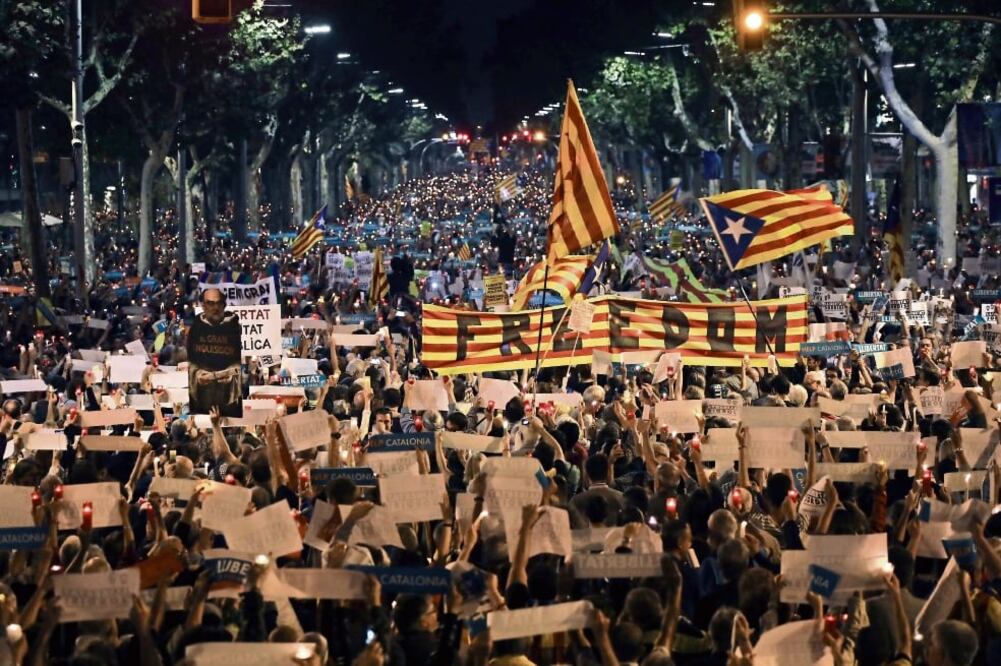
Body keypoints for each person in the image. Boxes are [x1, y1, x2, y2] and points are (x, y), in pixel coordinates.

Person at [186, 288, 243, 417]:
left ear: (224, 305)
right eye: (210, 303)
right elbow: (191, 362)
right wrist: (197, 374)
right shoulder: (195, 330)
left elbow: (241, 362)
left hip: (228, 398)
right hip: (202, 397)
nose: (215, 307)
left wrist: (232, 374)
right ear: (203, 306)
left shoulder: (235, 328)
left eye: (218, 303)